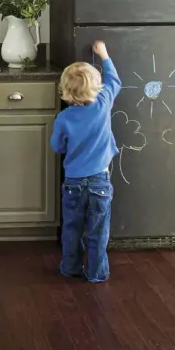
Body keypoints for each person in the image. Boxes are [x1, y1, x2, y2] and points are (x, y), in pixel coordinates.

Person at [50, 41, 121, 283]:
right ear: (96, 87)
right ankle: (96, 272)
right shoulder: (103, 104)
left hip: (73, 183)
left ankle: (70, 267)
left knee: (71, 229)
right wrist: (104, 55)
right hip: (100, 182)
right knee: (98, 232)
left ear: (65, 90)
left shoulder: (63, 118)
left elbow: (57, 147)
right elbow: (114, 81)